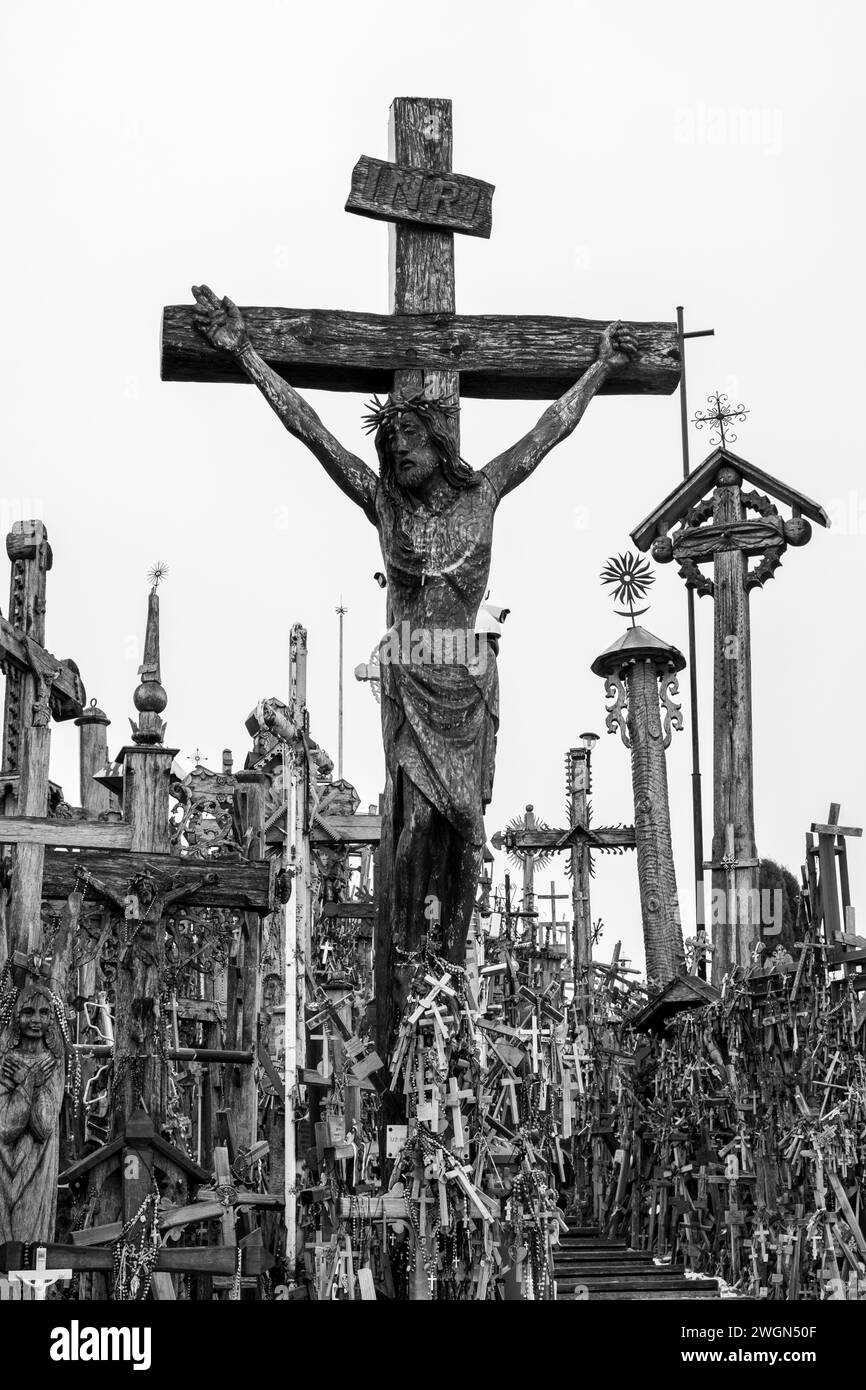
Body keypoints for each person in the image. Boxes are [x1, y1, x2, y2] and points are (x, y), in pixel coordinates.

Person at [190, 286, 636, 974]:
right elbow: (310, 429)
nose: (398, 448)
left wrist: (601, 366)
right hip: (412, 681)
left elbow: (550, 430)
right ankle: (405, 950)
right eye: (390, 441)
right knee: (416, 825)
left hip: (466, 682)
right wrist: (246, 351)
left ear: (438, 441)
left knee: (463, 835)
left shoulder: (484, 493)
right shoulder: (382, 505)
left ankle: (449, 950)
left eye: (409, 437)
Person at [0, 982, 65, 1241]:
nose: (35, 1020)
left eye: (43, 1013)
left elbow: (44, 1126)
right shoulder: (4, 1060)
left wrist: (23, 1081)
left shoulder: (54, 1063)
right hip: (3, 1163)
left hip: (39, 1163)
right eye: (28, 1012)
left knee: (32, 1243)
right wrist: (30, 1081)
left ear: (51, 1018)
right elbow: (6, 1127)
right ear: (16, 1017)